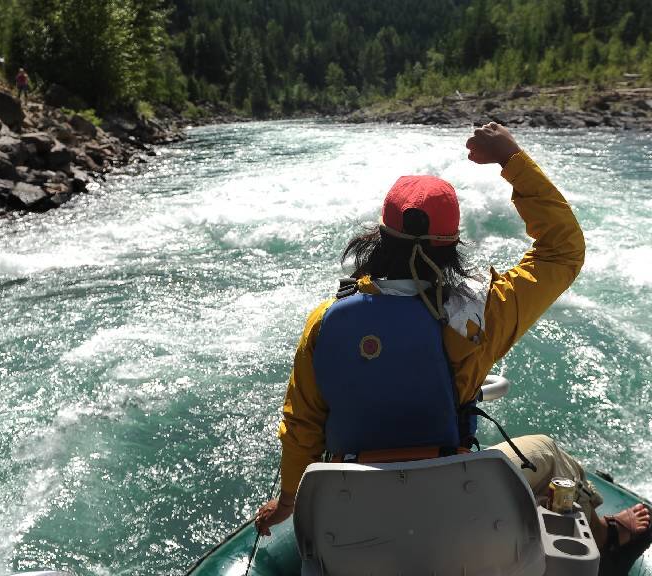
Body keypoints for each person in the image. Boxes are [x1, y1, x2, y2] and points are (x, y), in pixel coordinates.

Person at [255, 123, 651, 563]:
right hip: (454, 503)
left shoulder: (324, 323)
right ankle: (611, 534)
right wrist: (510, 159)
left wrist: (288, 501)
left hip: (353, 507)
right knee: (550, 453)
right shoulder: (478, 315)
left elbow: (301, 427)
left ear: (379, 237)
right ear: (451, 244)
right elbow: (562, 251)